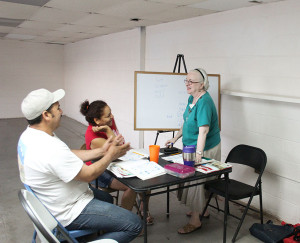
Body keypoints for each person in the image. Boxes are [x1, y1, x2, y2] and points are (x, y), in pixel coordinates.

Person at [17, 88, 142, 243]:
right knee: (134, 224)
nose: (61, 111)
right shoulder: (48, 147)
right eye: (58, 108)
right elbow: (88, 175)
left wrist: (101, 151)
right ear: (46, 115)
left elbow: (67, 154)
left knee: (107, 199)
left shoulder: (31, 135)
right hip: (68, 210)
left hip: (55, 201)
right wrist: (110, 155)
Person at [165, 68, 221, 234]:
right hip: (191, 146)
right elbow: (187, 121)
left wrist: (199, 154)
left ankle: (196, 221)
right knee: (191, 178)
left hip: (205, 147)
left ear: (202, 85)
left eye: (192, 81)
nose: (187, 84)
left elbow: (203, 131)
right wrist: (175, 138)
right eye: (186, 80)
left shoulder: (204, 102)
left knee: (195, 181)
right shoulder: (192, 97)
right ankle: (202, 209)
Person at [80, 100, 154, 225]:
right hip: (99, 170)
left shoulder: (109, 122)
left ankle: (143, 208)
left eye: (111, 113)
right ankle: (125, 222)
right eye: (108, 115)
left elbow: (120, 141)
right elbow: (120, 149)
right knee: (130, 186)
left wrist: (111, 130)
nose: (112, 117)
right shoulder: (94, 138)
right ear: (97, 120)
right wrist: (109, 131)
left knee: (145, 176)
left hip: (114, 162)